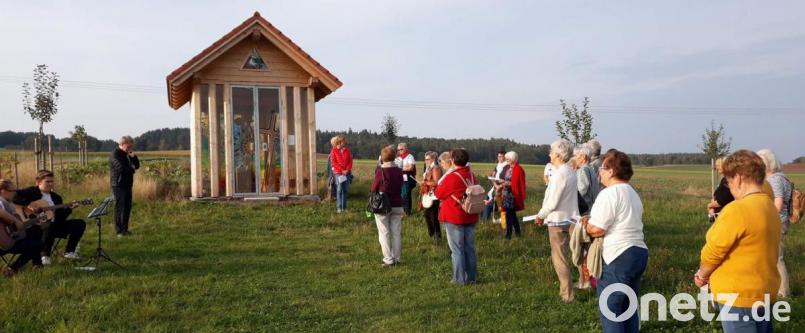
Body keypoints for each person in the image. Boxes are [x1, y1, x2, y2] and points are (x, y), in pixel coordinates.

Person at [695, 150, 780, 333]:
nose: (729, 186)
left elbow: (713, 250)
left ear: (739, 178)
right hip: (764, 292)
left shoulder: (738, 209)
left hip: (737, 295)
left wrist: (702, 274)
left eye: (729, 180)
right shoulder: (770, 208)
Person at [582, 149, 648, 332]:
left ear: (611, 171)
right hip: (638, 251)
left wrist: (585, 225)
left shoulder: (609, 193)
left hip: (618, 255)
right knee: (629, 308)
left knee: (611, 310)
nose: (599, 173)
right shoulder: (632, 193)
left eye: (602, 168)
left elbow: (597, 229)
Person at [535, 139, 580, 302]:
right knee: (575, 254)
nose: (550, 154)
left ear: (559, 154)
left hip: (558, 220)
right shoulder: (570, 171)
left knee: (560, 258)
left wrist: (540, 215)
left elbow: (552, 202)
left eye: (552, 151)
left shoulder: (560, 173)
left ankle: (567, 295)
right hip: (571, 217)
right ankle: (584, 283)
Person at [13, 170, 86, 264]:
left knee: (79, 223)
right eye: (47, 181)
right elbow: (14, 196)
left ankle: (69, 252)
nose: (51, 184)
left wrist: (69, 208)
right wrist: (28, 204)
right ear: (38, 182)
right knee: (48, 224)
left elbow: (60, 217)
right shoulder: (31, 192)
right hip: (34, 227)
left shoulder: (56, 197)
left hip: (55, 225)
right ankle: (45, 255)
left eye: (52, 181)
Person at [435, 149, 479, 285]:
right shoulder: (471, 175)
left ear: (453, 161)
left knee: (457, 250)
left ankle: (459, 279)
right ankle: (471, 278)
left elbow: (438, 193)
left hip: (454, 216)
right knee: (469, 248)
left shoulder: (452, 177)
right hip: (470, 215)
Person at [757, 148, 793, 298]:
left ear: (768, 163)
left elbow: (778, 202)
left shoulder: (775, 179)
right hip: (780, 221)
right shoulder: (781, 177)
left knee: (777, 258)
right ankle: (773, 288)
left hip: (776, 222)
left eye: (760, 162)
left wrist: (767, 217)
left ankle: (783, 292)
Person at [0, 179, 44, 276]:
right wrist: (16, 221)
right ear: (3, 191)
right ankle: (14, 268)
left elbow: (13, 226)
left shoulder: (9, 204)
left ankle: (13, 268)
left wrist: (33, 222)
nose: (15, 193)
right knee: (36, 243)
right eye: (13, 191)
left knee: (35, 233)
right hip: (2, 243)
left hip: (8, 240)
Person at [371, 146, 405, 267]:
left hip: (383, 205)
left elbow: (373, 188)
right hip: (397, 203)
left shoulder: (381, 171)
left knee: (384, 232)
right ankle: (397, 258)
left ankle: (388, 259)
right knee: (396, 232)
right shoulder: (399, 171)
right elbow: (401, 184)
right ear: (394, 156)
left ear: (382, 158)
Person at [109, 135, 140, 237]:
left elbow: (137, 166)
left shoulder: (128, 154)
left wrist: (134, 157)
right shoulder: (115, 154)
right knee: (120, 208)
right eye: (128, 146)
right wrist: (132, 169)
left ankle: (125, 229)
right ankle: (119, 231)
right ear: (121, 144)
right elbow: (121, 168)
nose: (130, 148)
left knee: (127, 207)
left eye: (131, 146)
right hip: (118, 184)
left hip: (127, 184)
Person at [495, 151, 525, 239]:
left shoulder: (518, 169)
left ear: (513, 159)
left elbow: (517, 183)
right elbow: (507, 179)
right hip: (506, 194)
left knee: (509, 215)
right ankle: (517, 233)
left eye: (508, 158)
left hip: (512, 195)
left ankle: (509, 235)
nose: (506, 159)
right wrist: (503, 182)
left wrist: (505, 183)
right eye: (506, 158)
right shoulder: (508, 168)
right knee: (511, 215)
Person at [420, 151, 443, 242]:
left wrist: (424, 182)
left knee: (433, 216)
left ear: (433, 159)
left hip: (433, 195)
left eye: (428, 159)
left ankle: (437, 237)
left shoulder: (436, 168)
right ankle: (433, 235)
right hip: (428, 194)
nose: (426, 161)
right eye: (425, 159)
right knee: (427, 215)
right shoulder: (429, 168)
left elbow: (437, 182)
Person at [482, 151, 508, 222]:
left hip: (500, 191)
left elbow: (505, 180)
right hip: (494, 188)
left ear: (505, 157)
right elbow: (492, 176)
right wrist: (495, 183)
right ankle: (483, 221)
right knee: (483, 203)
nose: (498, 158)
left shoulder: (507, 167)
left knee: (488, 205)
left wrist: (497, 184)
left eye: (500, 156)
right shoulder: (498, 165)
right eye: (498, 156)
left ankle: (485, 223)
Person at [330, 135, 353, 213]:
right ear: (339, 142)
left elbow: (350, 161)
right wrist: (342, 170)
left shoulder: (348, 150)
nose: (344, 142)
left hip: (347, 173)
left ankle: (344, 207)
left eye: (344, 141)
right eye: (343, 141)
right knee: (339, 189)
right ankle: (339, 207)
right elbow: (334, 162)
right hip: (339, 173)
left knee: (345, 190)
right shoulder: (334, 150)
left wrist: (347, 169)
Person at [707, 157, 734, 222]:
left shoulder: (729, 180)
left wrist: (710, 205)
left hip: (725, 213)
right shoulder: (724, 179)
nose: (716, 168)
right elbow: (716, 194)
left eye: (718, 165)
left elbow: (723, 199)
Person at [574, 145, 597, 213]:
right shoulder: (591, 168)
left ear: (583, 156)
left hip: (584, 207)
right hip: (592, 206)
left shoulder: (582, 170)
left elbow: (582, 190)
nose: (574, 158)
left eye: (575, 155)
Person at [395, 143, 417, 215]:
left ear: (406, 149)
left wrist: (401, 168)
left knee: (406, 195)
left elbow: (410, 168)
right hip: (400, 178)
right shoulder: (398, 158)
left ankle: (407, 212)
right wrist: (404, 167)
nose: (399, 151)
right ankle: (402, 210)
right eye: (398, 150)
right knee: (401, 195)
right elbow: (395, 167)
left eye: (401, 149)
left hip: (408, 178)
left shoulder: (410, 156)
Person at [325, 136, 338, 201]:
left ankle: (333, 196)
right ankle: (332, 196)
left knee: (334, 182)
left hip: (334, 171)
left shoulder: (337, 150)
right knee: (332, 182)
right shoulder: (333, 151)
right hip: (332, 171)